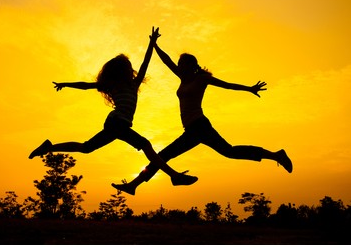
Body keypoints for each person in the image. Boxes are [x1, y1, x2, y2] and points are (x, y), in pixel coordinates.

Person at [112, 39, 293, 195]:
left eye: (182, 64)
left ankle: (135, 185)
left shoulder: (201, 79)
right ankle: (275, 155)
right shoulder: (183, 78)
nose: (178, 66)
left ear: (191, 66)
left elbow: (227, 85)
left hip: (200, 127)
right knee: (228, 151)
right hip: (192, 129)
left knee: (168, 154)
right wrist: (155, 44)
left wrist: (249, 88)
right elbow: (167, 62)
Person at [29, 27, 198, 187]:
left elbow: (146, 62)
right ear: (121, 71)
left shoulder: (134, 84)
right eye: (127, 68)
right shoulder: (113, 85)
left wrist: (151, 43)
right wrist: (66, 84)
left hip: (116, 124)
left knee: (86, 147)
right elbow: (86, 85)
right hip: (118, 123)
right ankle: (174, 176)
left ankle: (49, 147)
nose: (131, 69)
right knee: (146, 145)